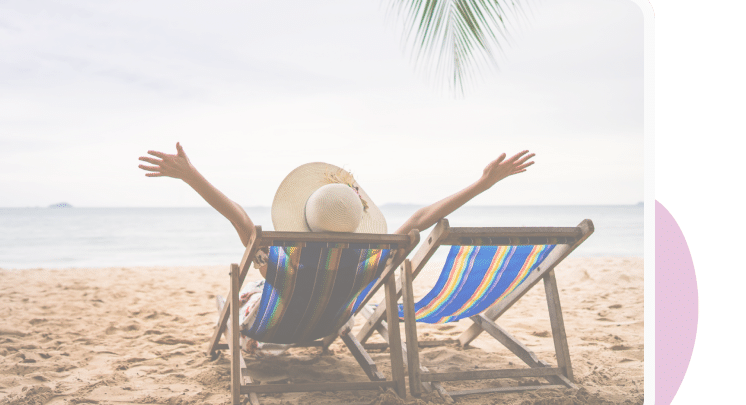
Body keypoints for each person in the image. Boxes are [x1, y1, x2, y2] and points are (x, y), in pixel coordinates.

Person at [138, 143, 534, 354]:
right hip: (328, 324)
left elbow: (241, 221)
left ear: (302, 218)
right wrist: (484, 184)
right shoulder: (371, 261)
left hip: (271, 326)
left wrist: (190, 176)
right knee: (266, 291)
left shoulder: (282, 262)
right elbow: (419, 221)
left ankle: (246, 340)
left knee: (244, 294)